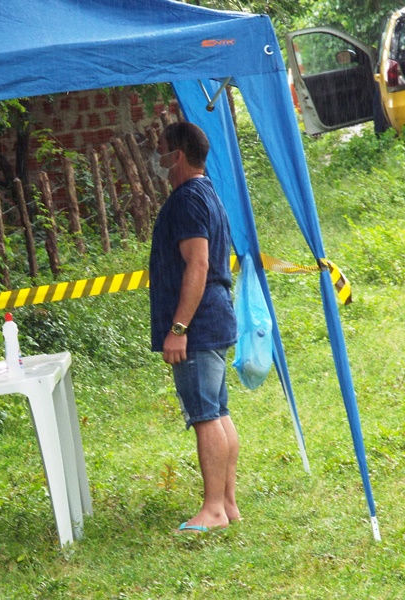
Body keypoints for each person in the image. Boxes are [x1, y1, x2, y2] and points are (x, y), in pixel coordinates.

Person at [148, 122, 239, 533]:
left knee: (205, 415)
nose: (159, 160)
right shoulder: (207, 192)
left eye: (162, 151)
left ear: (178, 155)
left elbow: (197, 264)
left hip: (198, 325)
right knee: (218, 412)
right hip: (215, 316)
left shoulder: (186, 200)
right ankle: (228, 504)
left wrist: (178, 328)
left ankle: (213, 510)